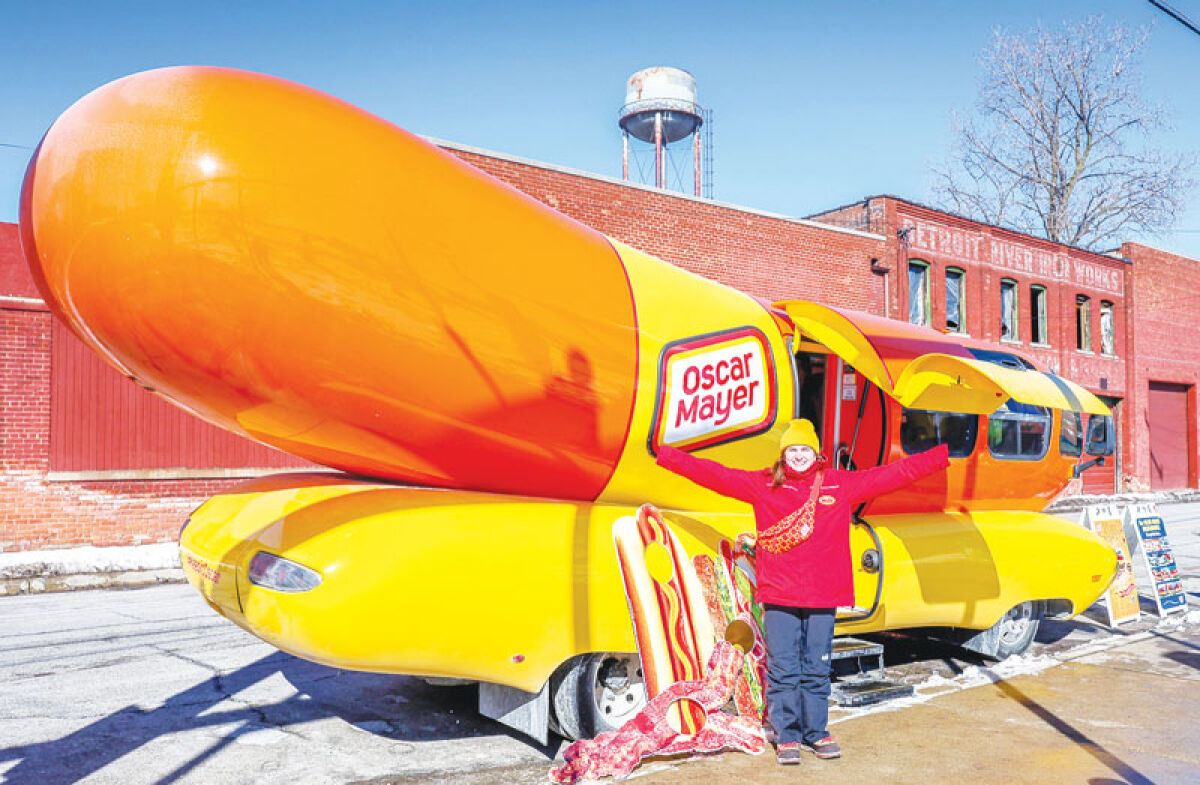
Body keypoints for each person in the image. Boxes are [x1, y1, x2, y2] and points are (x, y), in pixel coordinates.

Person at [656, 419, 949, 766]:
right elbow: (714, 474)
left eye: (804, 450)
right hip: (780, 595)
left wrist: (939, 456)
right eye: (792, 450)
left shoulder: (839, 484)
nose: (798, 456)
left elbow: (893, 474)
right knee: (783, 668)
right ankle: (787, 735)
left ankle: (817, 731)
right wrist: (665, 455)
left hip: (823, 596)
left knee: (816, 666)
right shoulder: (763, 484)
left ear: (816, 454)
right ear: (783, 455)